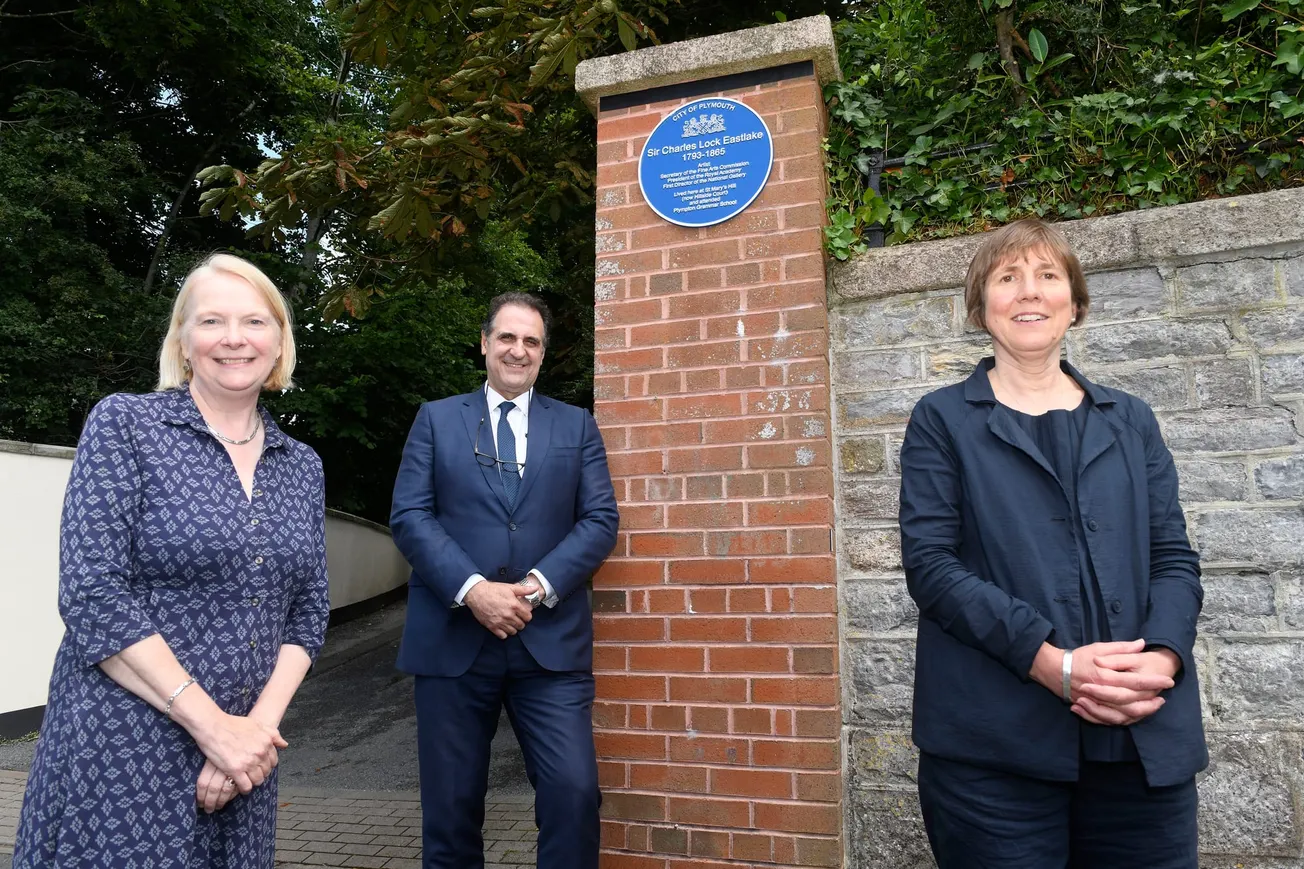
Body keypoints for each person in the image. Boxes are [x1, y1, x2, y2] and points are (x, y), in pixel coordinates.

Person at [898, 219, 1206, 868]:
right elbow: (932, 567)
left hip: (1140, 739)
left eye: (1047, 275)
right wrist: (1051, 664)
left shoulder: (1132, 421)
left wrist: (1164, 659)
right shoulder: (942, 420)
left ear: (1076, 301)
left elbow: (1174, 557)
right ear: (982, 307)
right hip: (993, 754)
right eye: (1007, 278)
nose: (1028, 292)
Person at [13, 254, 330, 868]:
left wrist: (252, 736)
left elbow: (309, 610)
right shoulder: (127, 426)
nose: (234, 338)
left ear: (280, 342)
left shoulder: (302, 465)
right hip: (125, 743)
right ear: (183, 341)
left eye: (255, 322)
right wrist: (211, 727)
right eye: (211, 321)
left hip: (241, 761)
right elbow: (92, 594)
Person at [390, 292, 619, 869]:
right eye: (508, 338)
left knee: (573, 793)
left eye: (532, 342)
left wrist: (537, 586)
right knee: (451, 809)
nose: (519, 351)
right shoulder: (436, 419)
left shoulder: (577, 425)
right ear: (486, 343)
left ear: (544, 353)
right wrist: (473, 590)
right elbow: (410, 516)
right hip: (452, 644)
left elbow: (599, 521)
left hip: (550, 649)